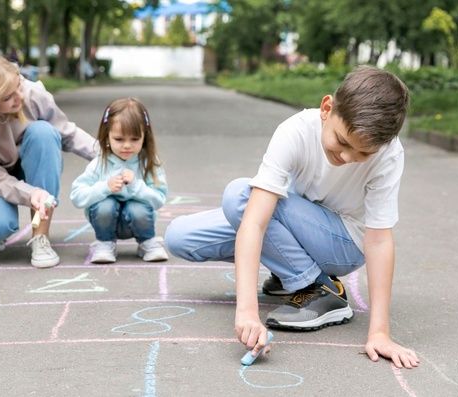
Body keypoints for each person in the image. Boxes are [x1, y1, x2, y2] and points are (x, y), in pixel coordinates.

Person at [165, 66, 420, 369]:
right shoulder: (296, 130)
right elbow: (255, 221)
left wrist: (380, 332)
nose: (348, 158)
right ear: (327, 108)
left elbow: (378, 240)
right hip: (294, 222)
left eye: (362, 154)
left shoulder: (389, 155)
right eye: (343, 142)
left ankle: (321, 288)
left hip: (343, 243)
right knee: (179, 237)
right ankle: (292, 274)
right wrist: (247, 312)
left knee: (240, 196)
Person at [0, 50, 96, 268]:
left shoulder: (31, 92)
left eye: (17, 86)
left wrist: (108, 156)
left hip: (27, 163)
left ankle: (40, 234)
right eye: (7, 97)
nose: (19, 97)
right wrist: (30, 193)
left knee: (44, 132)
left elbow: (67, 133)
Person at [70, 97, 169, 264]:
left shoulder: (149, 163)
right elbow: (77, 196)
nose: (127, 146)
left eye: (135, 139)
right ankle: (104, 243)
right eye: (119, 139)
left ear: (145, 136)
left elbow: (159, 199)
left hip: (139, 221)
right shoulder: (99, 163)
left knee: (137, 208)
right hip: (106, 222)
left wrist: (137, 186)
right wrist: (105, 187)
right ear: (106, 136)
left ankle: (147, 242)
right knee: (105, 205)